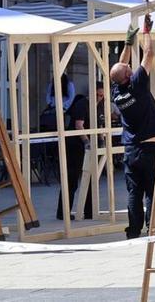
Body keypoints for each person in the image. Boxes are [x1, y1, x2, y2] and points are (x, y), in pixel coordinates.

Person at [111, 14, 155, 239]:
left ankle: (133, 231)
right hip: (149, 148)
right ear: (129, 75)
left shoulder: (118, 92)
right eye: (129, 68)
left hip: (131, 150)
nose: (131, 67)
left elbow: (120, 68)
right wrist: (147, 32)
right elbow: (149, 54)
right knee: (153, 190)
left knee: (135, 192)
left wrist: (127, 44)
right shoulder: (138, 84)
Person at [60, 90, 94, 220]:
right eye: (97, 95)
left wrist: (101, 141)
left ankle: (90, 211)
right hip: (75, 144)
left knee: (91, 178)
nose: (99, 98)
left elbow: (100, 123)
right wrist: (87, 142)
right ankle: (63, 212)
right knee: (72, 179)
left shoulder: (100, 104)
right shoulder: (82, 104)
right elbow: (79, 125)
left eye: (102, 96)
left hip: (88, 144)